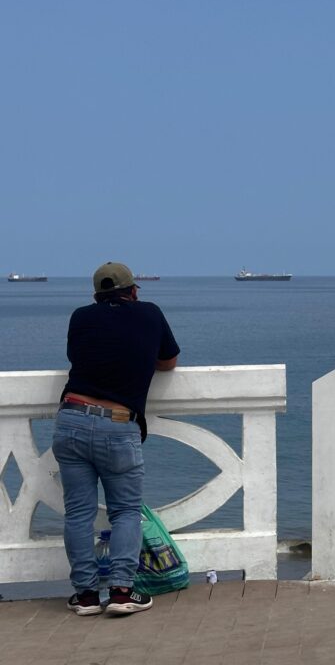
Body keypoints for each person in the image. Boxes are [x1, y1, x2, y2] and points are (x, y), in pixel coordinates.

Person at [55, 262, 180, 616]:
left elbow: (77, 356)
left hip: (71, 419)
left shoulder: (80, 317)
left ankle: (86, 596)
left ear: (95, 296)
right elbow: (168, 361)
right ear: (135, 291)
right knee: (124, 511)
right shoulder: (150, 314)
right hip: (118, 425)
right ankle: (123, 592)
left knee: (77, 513)